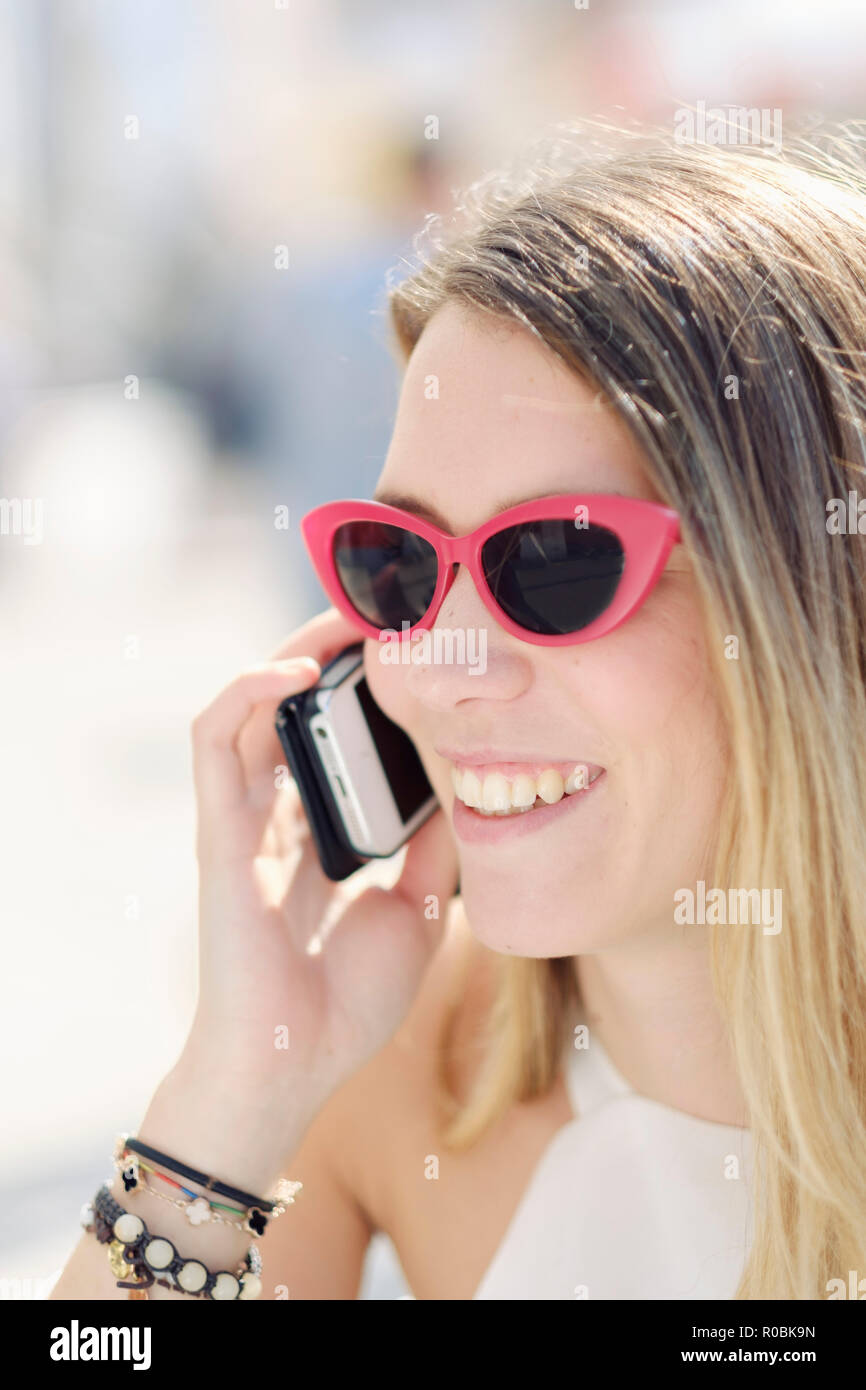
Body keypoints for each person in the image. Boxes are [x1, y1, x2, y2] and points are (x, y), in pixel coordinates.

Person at [51, 120, 866, 1301]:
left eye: (553, 563)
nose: (432, 667)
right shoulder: (387, 1052)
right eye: (399, 563)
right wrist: (230, 1097)